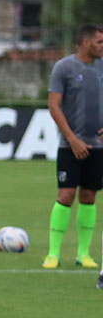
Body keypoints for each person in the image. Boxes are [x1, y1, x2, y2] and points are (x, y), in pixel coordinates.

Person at [42, 24, 103, 270]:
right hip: (70, 145)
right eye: (99, 42)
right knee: (65, 195)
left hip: (98, 147)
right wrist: (73, 139)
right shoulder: (64, 68)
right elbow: (54, 106)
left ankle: (83, 254)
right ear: (86, 42)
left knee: (89, 196)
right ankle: (53, 253)